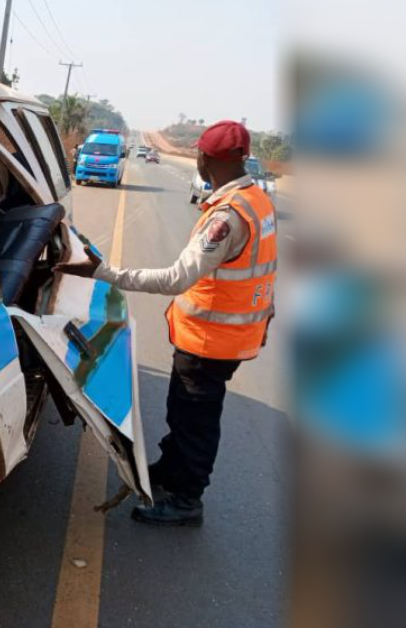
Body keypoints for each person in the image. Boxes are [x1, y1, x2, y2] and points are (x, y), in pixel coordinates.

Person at [54, 121, 277, 526]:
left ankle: (187, 499)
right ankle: (172, 471)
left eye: (199, 155)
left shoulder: (226, 218)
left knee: (195, 420)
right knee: (185, 411)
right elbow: (266, 268)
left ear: (205, 159)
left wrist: (106, 272)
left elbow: (176, 278)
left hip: (210, 340)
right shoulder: (256, 201)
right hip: (233, 336)